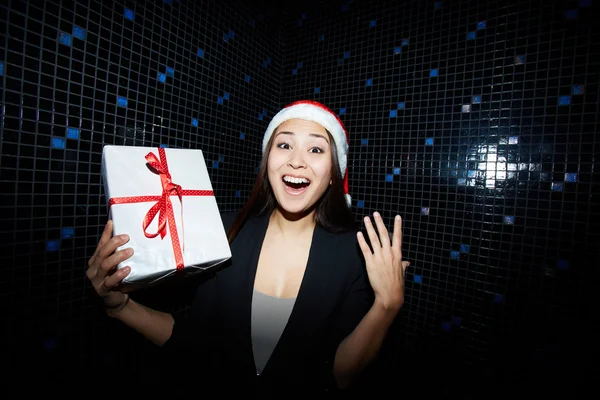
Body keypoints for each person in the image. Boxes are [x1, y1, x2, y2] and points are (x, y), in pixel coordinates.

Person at [86, 100, 409, 395]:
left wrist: (386, 307)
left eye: (316, 150)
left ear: (333, 175)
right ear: (267, 162)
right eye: (284, 145)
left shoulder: (355, 255)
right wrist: (120, 306)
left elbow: (339, 374)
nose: (297, 161)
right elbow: (191, 344)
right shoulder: (223, 233)